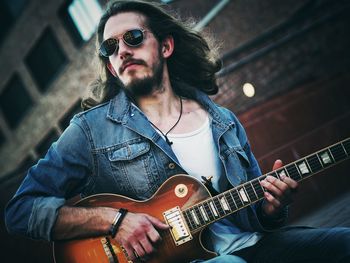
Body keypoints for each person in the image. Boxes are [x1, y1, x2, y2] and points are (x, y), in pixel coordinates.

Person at [5, 1, 349, 262]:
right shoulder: (90, 131)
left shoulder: (224, 121)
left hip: (254, 248)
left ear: (165, 47)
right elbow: (21, 210)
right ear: (110, 66)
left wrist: (273, 208)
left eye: (134, 38)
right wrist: (115, 221)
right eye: (110, 48)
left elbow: (257, 217)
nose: (122, 50)